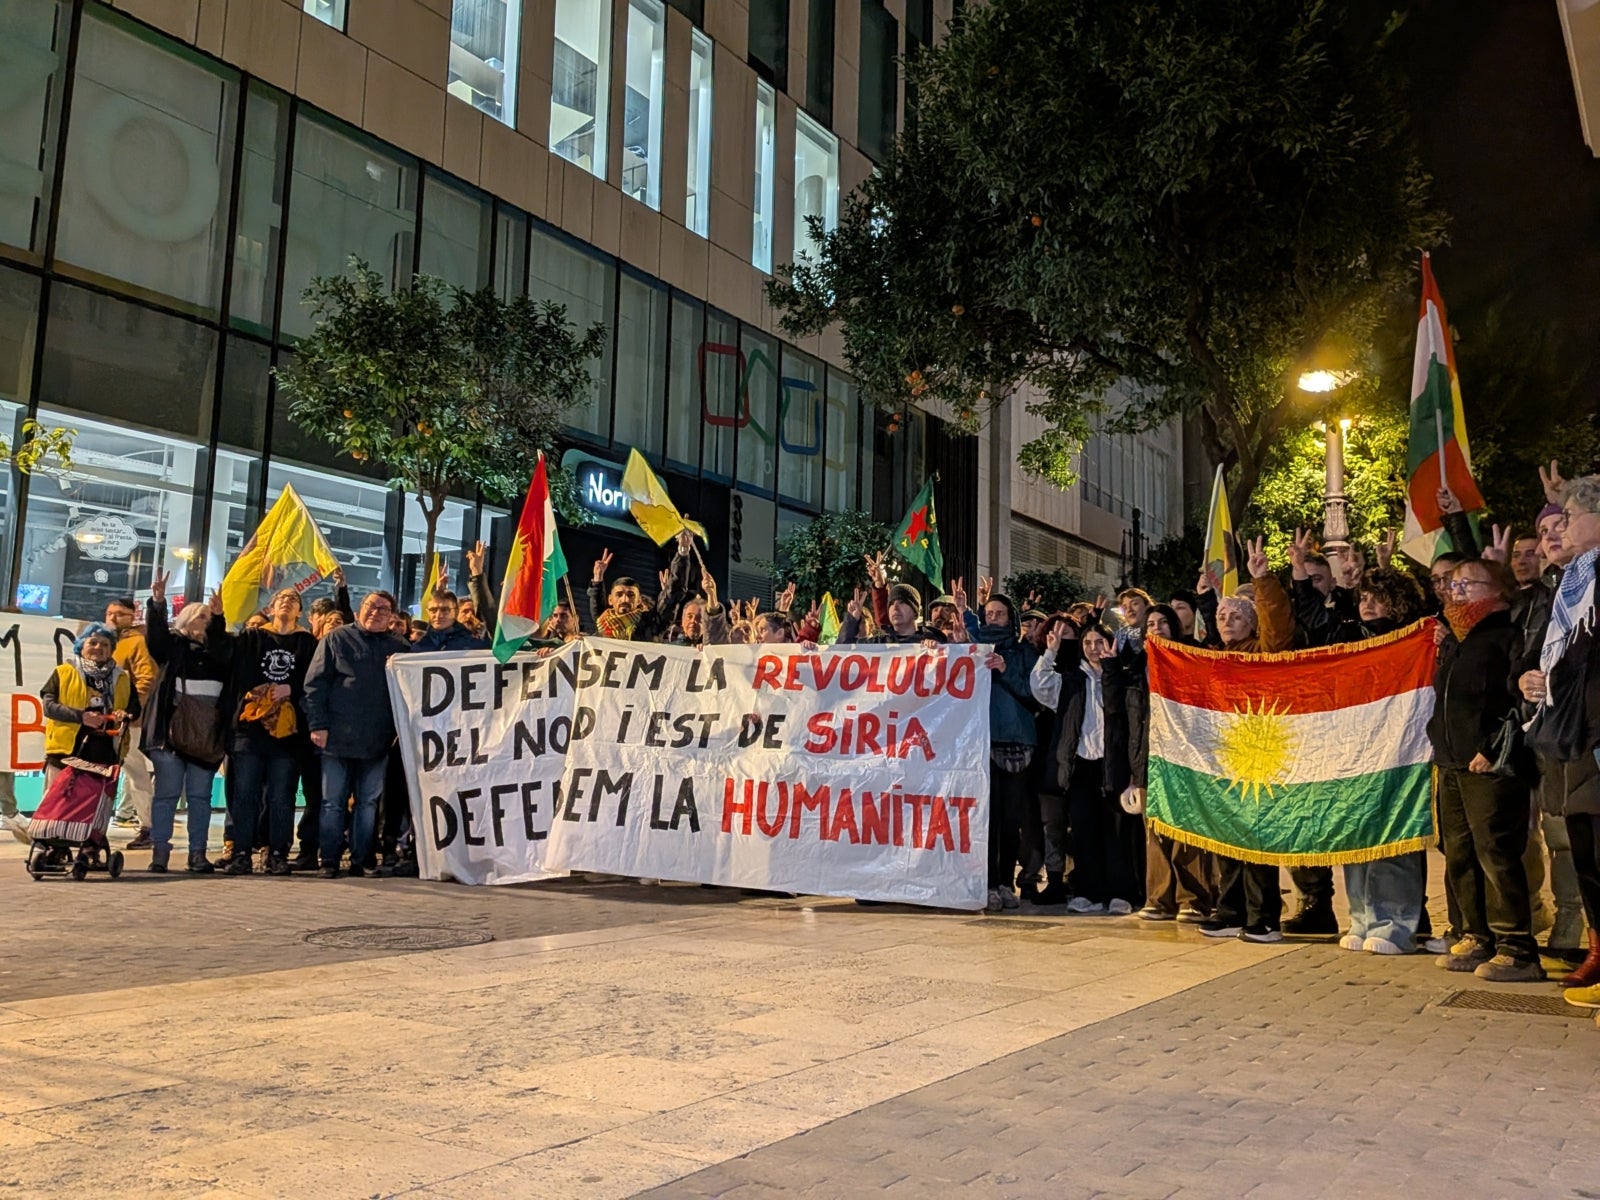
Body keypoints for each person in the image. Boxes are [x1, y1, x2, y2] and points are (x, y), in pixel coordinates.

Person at [1430, 558, 1543, 981]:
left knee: (1495, 853)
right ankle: (1476, 935)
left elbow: (1516, 700)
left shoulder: (1508, 636)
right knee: (1459, 853)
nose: (1455, 591)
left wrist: (1493, 746)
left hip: (1490, 764)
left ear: (1498, 592)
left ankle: (1516, 947)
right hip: (1451, 761)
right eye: (1453, 584)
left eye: (1467, 584)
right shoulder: (1456, 639)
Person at [1523, 473, 1600, 998]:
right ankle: (1599, 949)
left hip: (1595, 733)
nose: (1562, 527)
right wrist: (1533, 679)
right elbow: (1551, 655)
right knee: (1586, 849)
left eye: (1570, 517)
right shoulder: (1573, 585)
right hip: (1574, 736)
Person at [1198, 536, 1295, 943]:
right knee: (1227, 836)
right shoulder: (1217, 656)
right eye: (1222, 616)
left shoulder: (1262, 649)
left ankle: (1264, 916)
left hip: (1260, 753)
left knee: (1256, 836)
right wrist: (1206, 600)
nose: (1227, 621)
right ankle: (1230, 911)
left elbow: (1278, 633)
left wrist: (1262, 582)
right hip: (1226, 755)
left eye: (1236, 616)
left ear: (1252, 622)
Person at [1030, 622, 1137, 915]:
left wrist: (1111, 668)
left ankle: (1121, 893)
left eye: (1099, 641)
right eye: (1087, 642)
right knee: (1083, 832)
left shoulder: (1120, 676)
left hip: (1113, 764)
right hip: (1081, 765)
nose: (1093, 648)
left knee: (1116, 833)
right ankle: (1089, 893)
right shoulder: (1072, 679)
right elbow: (1040, 685)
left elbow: (1123, 712)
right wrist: (1051, 652)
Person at [213, 588, 319, 876]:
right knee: (244, 795)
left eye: (293, 600)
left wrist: (291, 689)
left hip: (288, 734)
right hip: (250, 730)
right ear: (270, 608)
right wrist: (218, 617)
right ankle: (241, 853)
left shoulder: (307, 643)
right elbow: (222, 652)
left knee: (282, 796)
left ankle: (277, 853)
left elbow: (315, 682)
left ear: (300, 612)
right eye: (281, 599)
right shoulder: (253, 637)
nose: (286, 602)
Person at [303, 591, 409, 878]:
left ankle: (361, 860)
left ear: (391, 616)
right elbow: (315, 685)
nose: (376, 612)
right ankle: (329, 860)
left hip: (378, 741)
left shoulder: (400, 648)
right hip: (335, 738)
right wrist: (317, 725)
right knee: (332, 803)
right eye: (371, 606)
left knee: (368, 804)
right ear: (360, 609)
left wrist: (398, 731)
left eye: (383, 609)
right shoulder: (336, 639)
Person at [1133, 605, 1217, 923]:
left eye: (1163, 623)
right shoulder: (1136, 666)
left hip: (1188, 757)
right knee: (1155, 831)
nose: (1157, 628)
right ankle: (1159, 898)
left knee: (1188, 830)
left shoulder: (1191, 660)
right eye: (1151, 624)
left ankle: (1192, 898)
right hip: (1151, 757)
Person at [142, 575, 230, 874]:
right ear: (186, 620)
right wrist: (157, 603)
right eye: (200, 616)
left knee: (200, 797)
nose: (205, 621)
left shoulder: (219, 651)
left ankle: (197, 854)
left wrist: (219, 617)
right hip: (170, 734)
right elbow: (156, 639)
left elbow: (223, 647)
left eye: (208, 617)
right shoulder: (174, 647)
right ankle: (160, 854)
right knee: (166, 795)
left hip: (206, 736)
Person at [962, 586, 1039, 912]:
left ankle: (1007, 882)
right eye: (989, 613)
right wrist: (965, 612)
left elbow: (1034, 693)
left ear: (1011, 619)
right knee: (986, 819)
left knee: (1011, 819)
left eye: (1000, 614)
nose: (993, 618)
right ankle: (989, 883)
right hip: (981, 743)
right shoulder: (975, 649)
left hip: (1016, 743)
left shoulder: (1024, 653)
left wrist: (1006, 670)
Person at [41, 624, 138, 780]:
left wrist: (125, 714)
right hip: (65, 755)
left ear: (111, 650)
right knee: (60, 797)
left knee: (98, 797)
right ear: (81, 646)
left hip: (105, 756)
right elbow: (49, 707)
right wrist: (81, 717)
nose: (98, 647)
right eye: (93, 643)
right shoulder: (63, 672)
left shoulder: (123, 677)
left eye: (105, 644)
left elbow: (135, 708)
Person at [104, 594, 158, 848]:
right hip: (109, 720)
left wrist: (132, 710)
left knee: (137, 774)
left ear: (132, 616)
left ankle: (149, 825)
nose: (113, 618)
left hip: (129, 722)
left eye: (119, 614)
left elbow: (147, 678)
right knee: (130, 773)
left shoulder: (137, 643)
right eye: (109, 613)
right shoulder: (108, 642)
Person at [412, 590, 489, 652]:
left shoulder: (475, 647)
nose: (438, 615)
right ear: (427, 612)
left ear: (456, 612)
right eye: (433, 610)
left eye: (445, 610)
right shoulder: (417, 648)